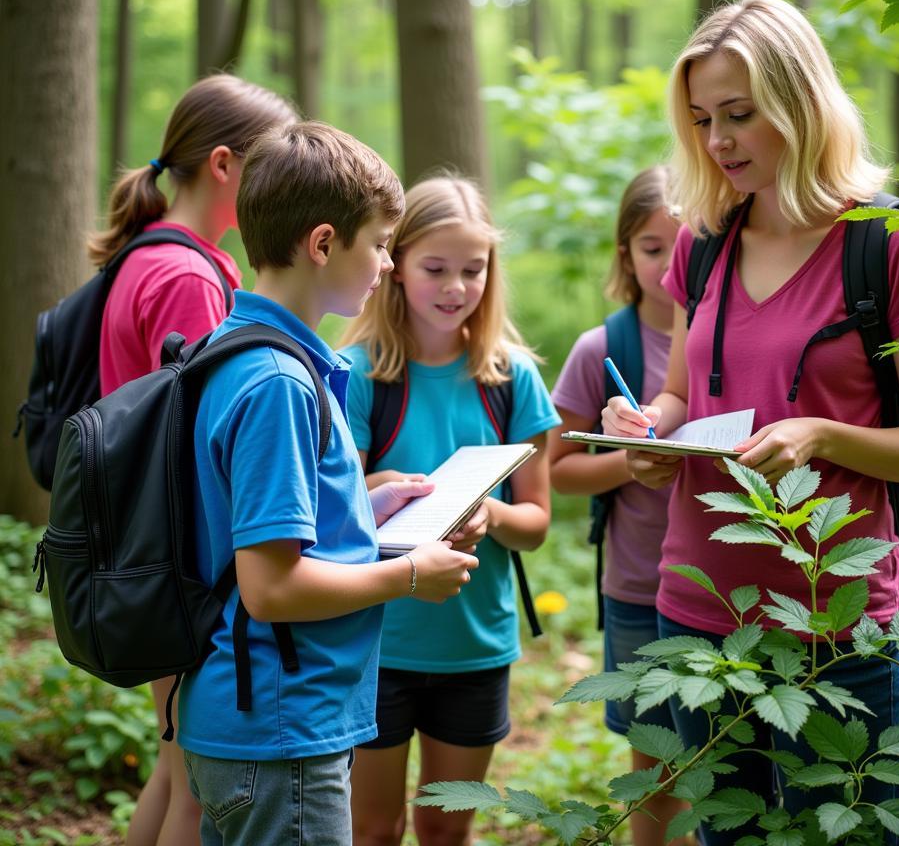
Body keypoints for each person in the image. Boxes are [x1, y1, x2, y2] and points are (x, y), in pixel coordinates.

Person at [601, 0, 899, 846]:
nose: (717, 141)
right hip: (698, 609)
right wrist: (645, 433)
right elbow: (683, 401)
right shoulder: (702, 243)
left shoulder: (893, 244)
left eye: (739, 114)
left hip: (835, 618)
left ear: (801, 106)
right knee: (724, 835)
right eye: (699, 120)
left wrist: (822, 436)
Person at [177, 122, 479, 846]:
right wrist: (408, 574)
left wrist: (364, 513)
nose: (384, 264)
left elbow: (247, 521)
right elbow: (270, 587)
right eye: (378, 244)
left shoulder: (235, 346)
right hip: (282, 731)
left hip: (245, 720)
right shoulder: (279, 382)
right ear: (321, 244)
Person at [88, 73, 296, 846]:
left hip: (148, 549)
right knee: (197, 792)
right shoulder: (189, 278)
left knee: (177, 770)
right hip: (177, 563)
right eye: (271, 166)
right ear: (223, 165)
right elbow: (216, 438)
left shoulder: (154, 257)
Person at [342, 175, 561, 846]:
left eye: (473, 269)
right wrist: (381, 488)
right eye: (435, 268)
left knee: (446, 831)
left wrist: (491, 517)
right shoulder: (357, 373)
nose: (456, 286)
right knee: (374, 830)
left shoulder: (511, 377)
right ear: (396, 266)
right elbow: (332, 520)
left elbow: (537, 524)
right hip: (375, 645)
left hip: (474, 650)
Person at [548, 165, 695, 846]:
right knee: (656, 765)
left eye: (682, 243)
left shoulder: (729, 332)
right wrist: (633, 465)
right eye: (650, 247)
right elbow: (560, 472)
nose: (667, 266)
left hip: (730, 584)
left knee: (726, 761)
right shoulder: (603, 348)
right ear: (625, 255)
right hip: (639, 584)